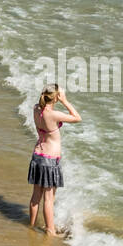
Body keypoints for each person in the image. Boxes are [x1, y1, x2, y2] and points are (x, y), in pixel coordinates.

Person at [28, 86, 81, 236]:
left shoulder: (36, 109)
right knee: (49, 199)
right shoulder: (54, 115)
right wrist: (65, 101)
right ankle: (50, 231)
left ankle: (31, 226)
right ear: (56, 97)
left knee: (35, 196)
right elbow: (77, 117)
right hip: (49, 160)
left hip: (37, 156)